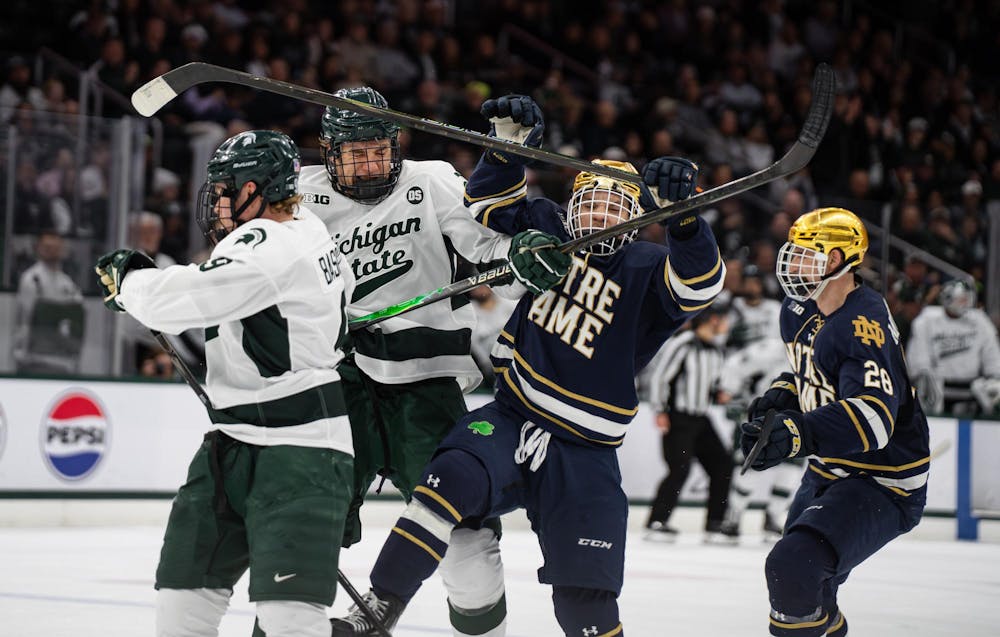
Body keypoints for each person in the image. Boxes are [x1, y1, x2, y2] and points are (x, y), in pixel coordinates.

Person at [331, 94, 725, 636]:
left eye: (615, 206)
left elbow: (700, 285)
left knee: (585, 609)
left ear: (639, 217)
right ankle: (381, 605)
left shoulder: (648, 265)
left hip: (586, 449)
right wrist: (506, 151)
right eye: (591, 200)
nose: (600, 215)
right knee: (444, 483)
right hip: (512, 416)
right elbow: (486, 206)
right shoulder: (549, 230)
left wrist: (685, 222)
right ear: (572, 203)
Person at [95, 130, 355, 637]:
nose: (216, 202)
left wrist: (132, 281)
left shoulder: (270, 244)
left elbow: (186, 299)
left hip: (300, 452)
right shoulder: (307, 227)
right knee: (181, 605)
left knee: (290, 622)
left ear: (255, 189)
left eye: (223, 190)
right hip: (233, 443)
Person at [296, 87, 517, 637]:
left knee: (465, 528)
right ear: (329, 151)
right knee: (301, 516)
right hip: (339, 379)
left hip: (425, 381)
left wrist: (521, 259)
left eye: (380, 151)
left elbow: (491, 251)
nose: (371, 165)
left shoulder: (432, 180)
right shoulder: (300, 194)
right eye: (357, 154)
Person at [739, 207, 930, 637]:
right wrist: (783, 393)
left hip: (882, 481)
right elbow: (814, 369)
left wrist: (797, 434)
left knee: (794, 568)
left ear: (838, 260)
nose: (793, 264)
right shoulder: (797, 309)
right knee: (809, 589)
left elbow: (873, 419)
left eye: (806, 256)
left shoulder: (862, 325)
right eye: (793, 253)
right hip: (828, 469)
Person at [644, 302, 736, 543]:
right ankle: (657, 522)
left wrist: (720, 393)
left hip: (700, 418)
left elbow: (711, 383)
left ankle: (714, 524)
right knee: (679, 468)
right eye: (724, 319)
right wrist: (660, 410)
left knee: (723, 465)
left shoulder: (716, 350)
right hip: (678, 416)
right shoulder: (684, 343)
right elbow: (661, 377)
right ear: (713, 320)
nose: (727, 325)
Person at [906, 280, 1000, 416]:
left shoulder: (980, 321)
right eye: (961, 299)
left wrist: (994, 377)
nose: (965, 303)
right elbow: (918, 356)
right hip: (936, 386)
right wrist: (923, 375)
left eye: (967, 299)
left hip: (973, 387)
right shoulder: (927, 319)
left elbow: (993, 356)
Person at [13, 230, 85, 374]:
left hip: (63, 357)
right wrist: (21, 353)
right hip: (35, 357)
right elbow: (26, 319)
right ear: (39, 249)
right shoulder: (32, 279)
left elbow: (76, 316)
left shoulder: (67, 283)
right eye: (47, 247)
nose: (52, 251)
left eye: (56, 248)